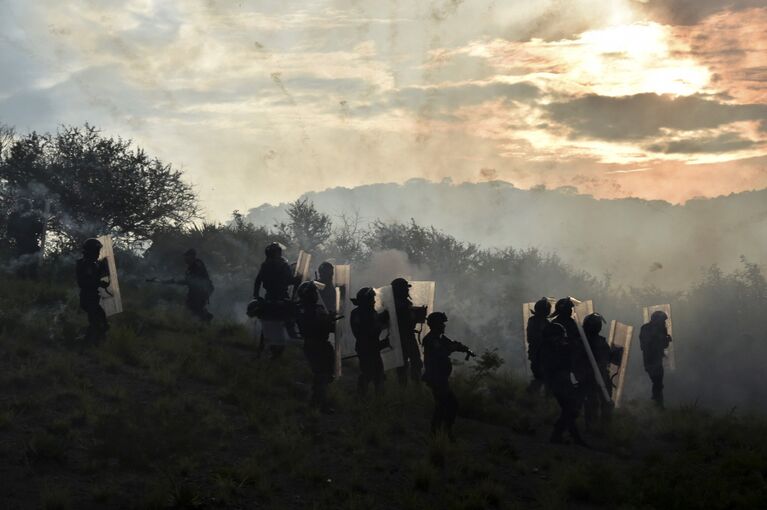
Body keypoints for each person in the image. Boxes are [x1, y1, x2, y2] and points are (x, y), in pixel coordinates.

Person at [421, 312, 474, 441]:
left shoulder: (438, 338)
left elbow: (451, 345)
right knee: (445, 404)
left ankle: (442, 432)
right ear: (436, 325)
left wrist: (463, 348)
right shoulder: (431, 339)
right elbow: (442, 351)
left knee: (446, 404)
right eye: (442, 324)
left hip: (441, 378)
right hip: (436, 378)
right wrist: (453, 347)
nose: (444, 326)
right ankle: (439, 433)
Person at [540, 321, 587, 446]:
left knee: (569, 410)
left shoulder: (553, 348)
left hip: (561, 382)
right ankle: (558, 435)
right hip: (558, 383)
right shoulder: (549, 350)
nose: (561, 339)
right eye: (559, 337)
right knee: (570, 409)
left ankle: (574, 437)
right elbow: (560, 364)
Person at [295, 281, 336, 413]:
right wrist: (330, 319)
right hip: (319, 345)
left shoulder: (300, 308)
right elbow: (327, 327)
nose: (316, 295)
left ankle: (315, 400)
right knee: (323, 375)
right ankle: (321, 404)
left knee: (320, 374)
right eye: (314, 292)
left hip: (309, 344)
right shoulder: (316, 310)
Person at [253, 242, 294, 358]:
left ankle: (262, 349)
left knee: (267, 323)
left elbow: (258, 281)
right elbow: (289, 280)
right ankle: (278, 351)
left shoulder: (265, 265)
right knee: (282, 323)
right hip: (281, 298)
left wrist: (256, 295)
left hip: (268, 297)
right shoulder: (283, 265)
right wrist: (298, 279)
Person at [350, 287, 390, 396]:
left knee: (378, 374)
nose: (374, 301)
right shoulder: (362, 314)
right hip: (367, 347)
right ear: (366, 300)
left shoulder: (361, 312)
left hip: (370, 346)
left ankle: (375, 399)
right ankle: (362, 398)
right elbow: (369, 331)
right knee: (368, 373)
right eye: (372, 298)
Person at [581, 313, 613, 431]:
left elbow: (608, 357)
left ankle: (601, 427)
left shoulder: (586, 341)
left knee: (602, 401)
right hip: (591, 375)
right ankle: (595, 427)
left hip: (598, 375)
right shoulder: (586, 341)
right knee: (594, 401)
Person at [76, 238, 109, 343]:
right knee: (96, 323)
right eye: (96, 251)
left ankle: (94, 342)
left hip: (92, 298)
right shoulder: (84, 264)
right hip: (88, 298)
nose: (98, 253)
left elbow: (103, 282)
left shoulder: (93, 264)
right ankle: (88, 343)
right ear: (91, 251)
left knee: (101, 321)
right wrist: (99, 281)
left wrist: (104, 270)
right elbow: (84, 283)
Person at [391, 278, 423, 385]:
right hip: (400, 337)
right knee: (403, 364)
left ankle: (414, 384)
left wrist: (416, 315)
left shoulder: (403, 303)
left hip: (408, 336)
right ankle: (405, 387)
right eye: (404, 288)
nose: (406, 290)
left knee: (415, 362)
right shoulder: (395, 304)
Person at [640, 310, 672, 408]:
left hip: (653, 361)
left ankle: (658, 404)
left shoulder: (646, 328)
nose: (664, 323)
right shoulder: (653, 329)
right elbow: (658, 345)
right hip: (652, 361)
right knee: (658, 384)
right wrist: (665, 339)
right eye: (663, 321)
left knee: (658, 383)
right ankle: (657, 405)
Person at [6, 198, 44, 279]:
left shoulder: (32, 216)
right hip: (20, 243)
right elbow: (10, 229)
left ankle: (33, 283)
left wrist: (40, 224)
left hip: (31, 243)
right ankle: (21, 282)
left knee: (32, 265)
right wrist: (12, 237)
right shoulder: (14, 216)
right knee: (20, 265)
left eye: (20, 204)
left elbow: (38, 229)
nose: (18, 206)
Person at [526, 298, 551, 394]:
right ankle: (530, 396)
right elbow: (532, 338)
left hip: (544, 355)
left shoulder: (545, 322)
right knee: (540, 377)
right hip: (537, 355)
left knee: (544, 377)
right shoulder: (533, 321)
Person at [182, 249, 214, 322]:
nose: (185, 258)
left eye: (187, 256)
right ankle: (205, 318)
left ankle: (206, 318)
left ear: (192, 256)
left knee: (196, 307)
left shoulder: (197, 265)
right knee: (191, 306)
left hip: (203, 290)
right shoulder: (191, 267)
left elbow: (195, 279)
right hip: (198, 290)